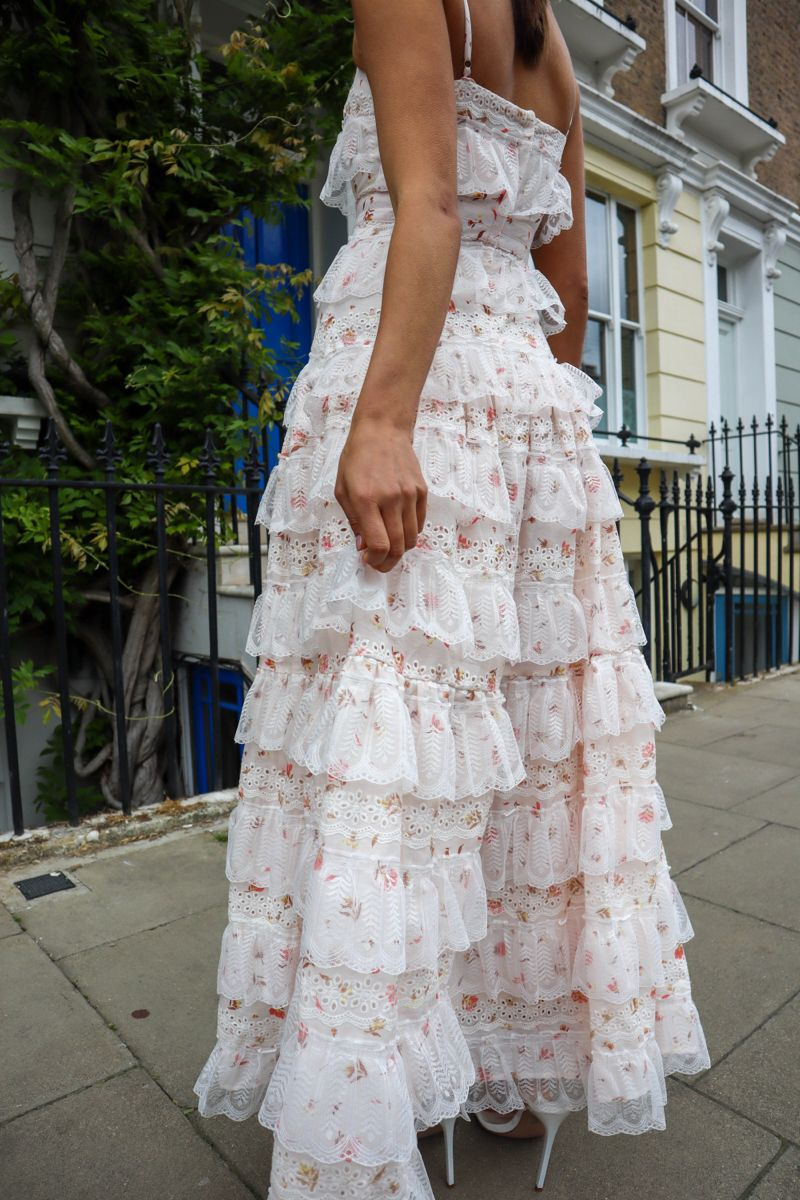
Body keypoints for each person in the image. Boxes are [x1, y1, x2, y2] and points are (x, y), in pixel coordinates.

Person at [193, 2, 711, 1197]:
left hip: (413, 378)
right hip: (523, 406)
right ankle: (504, 1076)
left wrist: (381, 420)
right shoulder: (551, 52)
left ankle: (363, 1114)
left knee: (391, 749)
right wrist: (519, 406)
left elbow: (423, 202)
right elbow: (567, 287)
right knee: (512, 755)